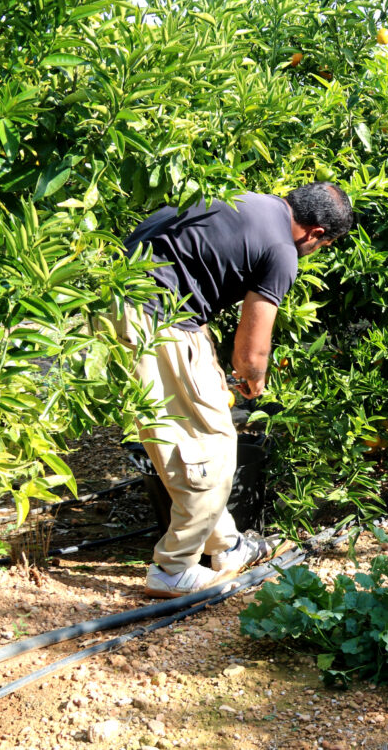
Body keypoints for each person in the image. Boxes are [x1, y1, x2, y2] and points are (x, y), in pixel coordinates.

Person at [115, 182, 353, 598]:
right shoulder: (282, 249)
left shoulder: (246, 200)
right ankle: (174, 567)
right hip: (160, 318)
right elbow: (249, 353)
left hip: (123, 296)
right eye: (324, 244)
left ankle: (227, 545)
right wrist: (254, 380)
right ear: (315, 234)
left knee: (183, 437)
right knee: (211, 447)